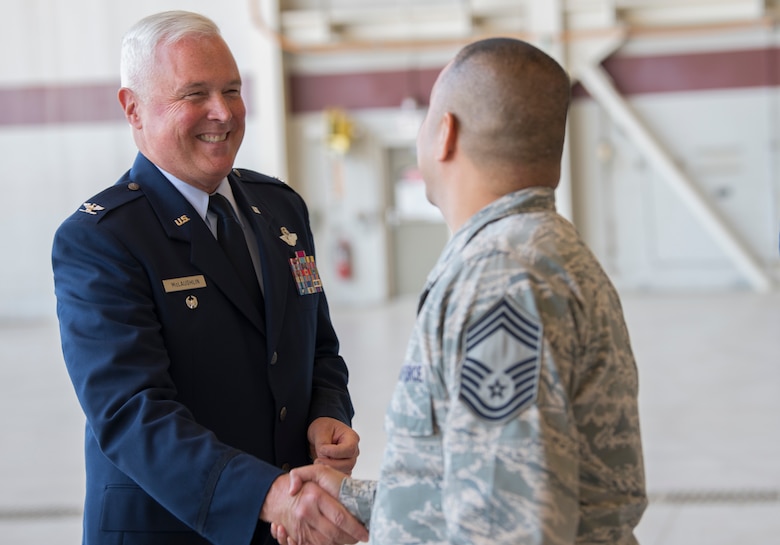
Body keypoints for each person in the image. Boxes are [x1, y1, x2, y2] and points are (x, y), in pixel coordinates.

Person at [275, 37, 647, 545]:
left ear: (445, 133)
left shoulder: (500, 280)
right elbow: (490, 482)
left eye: (428, 113)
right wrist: (358, 499)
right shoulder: (544, 252)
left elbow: (506, 526)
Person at [51, 10, 368, 545]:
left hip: (288, 523)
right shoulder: (101, 239)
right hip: (169, 528)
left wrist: (326, 414)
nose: (222, 113)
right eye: (194, 94)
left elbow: (319, 350)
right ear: (134, 108)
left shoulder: (280, 210)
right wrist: (266, 495)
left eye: (232, 89)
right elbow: (131, 414)